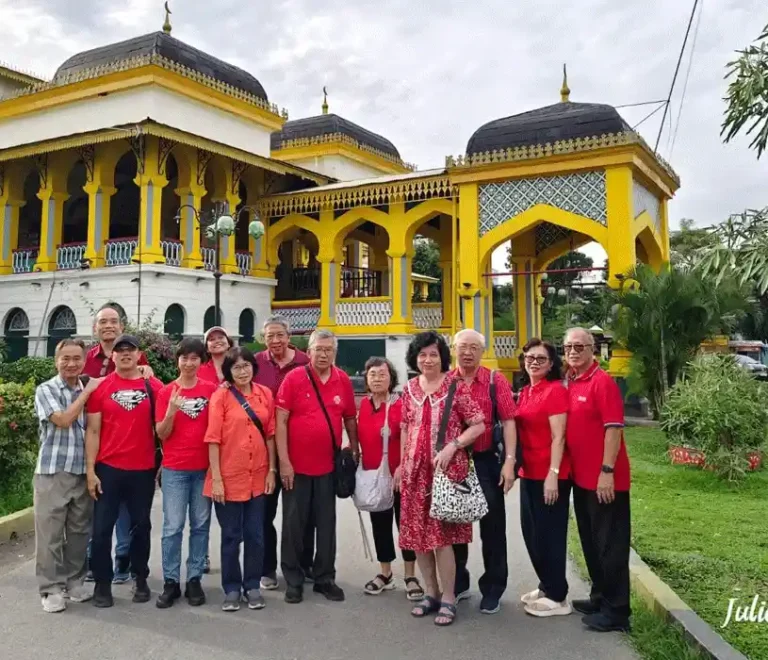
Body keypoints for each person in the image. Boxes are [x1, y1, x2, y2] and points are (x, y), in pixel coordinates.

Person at [400, 331, 484, 627]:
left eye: (433, 354)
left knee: (442, 540)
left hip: (444, 475)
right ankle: (431, 592)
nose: (427, 359)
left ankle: (448, 596)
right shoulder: (409, 388)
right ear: (415, 358)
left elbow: (479, 424)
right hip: (413, 475)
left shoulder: (455, 387)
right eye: (422, 354)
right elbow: (404, 427)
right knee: (419, 539)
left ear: (442, 357)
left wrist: (453, 445)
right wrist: (401, 464)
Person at [276, 329, 358, 604]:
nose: (323, 354)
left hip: (327, 466)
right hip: (296, 467)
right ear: (308, 352)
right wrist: (284, 462)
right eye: (318, 349)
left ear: (335, 353)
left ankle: (324, 578)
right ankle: (294, 579)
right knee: (294, 526)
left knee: (326, 525)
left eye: (329, 350)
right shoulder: (294, 378)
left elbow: (349, 418)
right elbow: (281, 421)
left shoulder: (342, 380)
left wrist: (354, 449)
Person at [85, 334, 164, 608]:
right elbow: (93, 431)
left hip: (142, 469)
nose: (125, 354)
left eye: (130, 350)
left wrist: (162, 463)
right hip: (108, 468)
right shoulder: (100, 388)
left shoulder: (153, 386)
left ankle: (140, 578)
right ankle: (102, 584)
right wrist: (90, 470)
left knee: (141, 528)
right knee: (102, 529)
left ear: (139, 354)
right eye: (120, 350)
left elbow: (165, 428)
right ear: (112, 355)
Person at [563, 327, 631, 633]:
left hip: (605, 480)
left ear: (593, 349)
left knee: (610, 545)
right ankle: (600, 596)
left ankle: (617, 611)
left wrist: (607, 471)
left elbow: (614, 428)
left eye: (580, 346)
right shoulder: (572, 381)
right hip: (582, 480)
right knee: (591, 542)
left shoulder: (602, 382)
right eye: (568, 347)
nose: (573, 351)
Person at [449, 329, 517, 615]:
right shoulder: (446, 381)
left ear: (482, 351)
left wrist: (510, 462)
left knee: (493, 527)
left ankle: (493, 588)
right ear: (453, 349)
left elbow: (509, 421)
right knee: (454, 525)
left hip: (486, 461)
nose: (468, 352)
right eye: (463, 346)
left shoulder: (494, 380)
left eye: (474, 347)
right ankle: (458, 582)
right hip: (455, 462)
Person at [204, 347, 277, 612]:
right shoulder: (221, 396)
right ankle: (232, 588)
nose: (243, 371)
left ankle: (253, 585)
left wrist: (272, 471)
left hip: (258, 475)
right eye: (237, 367)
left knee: (256, 534)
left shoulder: (265, 394)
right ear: (229, 372)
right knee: (231, 536)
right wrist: (218, 479)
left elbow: (270, 435)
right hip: (229, 476)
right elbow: (213, 439)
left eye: (247, 365)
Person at [33, 339, 102, 613]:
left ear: (84, 361)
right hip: (52, 471)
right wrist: (85, 395)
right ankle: (50, 589)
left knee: (78, 533)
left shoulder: (88, 387)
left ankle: (74, 583)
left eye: (77, 358)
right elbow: (62, 420)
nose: (71, 363)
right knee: (49, 535)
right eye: (65, 359)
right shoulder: (46, 389)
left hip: (81, 472)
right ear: (56, 360)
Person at [252, 315, 314, 591]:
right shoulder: (255, 362)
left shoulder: (305, 363)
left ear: (289, 336)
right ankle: (266, 568)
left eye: (280, 335)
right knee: (264, 512)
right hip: (264, 449)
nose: (275, 341)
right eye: (269, 336)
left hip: (298, 448)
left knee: (300, 513)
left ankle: (303, 565)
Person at [154, 338, 217, 609]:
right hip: (175, 470)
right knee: (172, 527)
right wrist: (171, 412)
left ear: (202, 362)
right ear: (177, 360)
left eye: (194, 358)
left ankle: (193, 580)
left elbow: (218, 430)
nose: (189, 363)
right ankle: (170, 582)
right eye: (184, 358)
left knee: (201, 526)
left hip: (204, 469)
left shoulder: (212, 391)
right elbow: (161, 434)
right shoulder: (166, 392)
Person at [356, 357, 423, 600]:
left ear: (391, 378)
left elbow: (414, 437)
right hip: (374, 476)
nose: (377, 378)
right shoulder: (363, 405)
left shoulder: (401, 404)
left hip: (400, 475)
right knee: (380, 524)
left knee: (404, 525)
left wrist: (403, 467)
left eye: (382, 374)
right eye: (372, 374)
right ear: (366, 378)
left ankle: (410, 574)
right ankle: (385, 573)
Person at [515, 338, 572, 617]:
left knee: (550, 534)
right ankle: (547, 584)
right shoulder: (526, 391)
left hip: (551, 474)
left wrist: (554, 473)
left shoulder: (555, 392)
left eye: (541, 359)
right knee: (532, 533)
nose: (534, 362)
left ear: (551, 364)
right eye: (530, 357)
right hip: (529, 472)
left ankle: (558, 596)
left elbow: (559, 436)